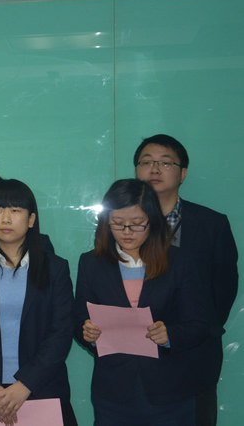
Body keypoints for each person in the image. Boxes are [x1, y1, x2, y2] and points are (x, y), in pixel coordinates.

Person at [75, 178, 208, 426]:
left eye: (137, 224)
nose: (127, 232)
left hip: (170, 390)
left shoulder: (179, 262)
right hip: (113, 392)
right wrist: (88, 333)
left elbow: (200, 324)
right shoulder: (91, 263)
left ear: (153, 221)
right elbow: (79, 319)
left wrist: (170, 335)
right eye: (118, 223)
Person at [0, 179, 76, 426]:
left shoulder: (56, 268)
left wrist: (25, 384)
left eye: (15, 210)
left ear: (31, 220)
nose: (5, 219)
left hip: (41, 390)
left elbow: (61, 333)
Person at [134, 134, 238, 426]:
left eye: (165, 163)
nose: (155, 169)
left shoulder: (212, 224)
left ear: (183, 174)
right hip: (136, 352)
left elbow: (224, 287)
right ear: (136, 171)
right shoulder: (121, 223)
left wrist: (195, 330)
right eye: (147, 162)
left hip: (193, 355)